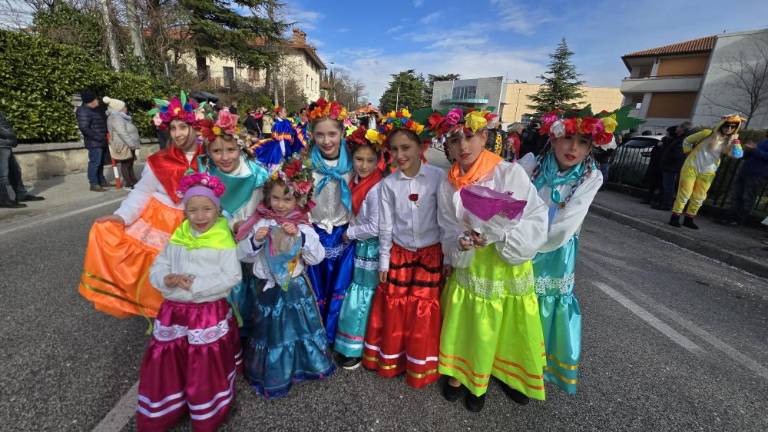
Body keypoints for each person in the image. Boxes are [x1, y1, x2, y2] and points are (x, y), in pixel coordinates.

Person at [435, 108, 548, 412]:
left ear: (484, 136)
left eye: (469, 136)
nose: (463, 146)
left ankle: (508, 371)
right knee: (474, 321)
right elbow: (448, 225)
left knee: (509, 321)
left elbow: (534, 216)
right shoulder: (448, 183)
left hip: (506, 264)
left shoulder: (508, 172)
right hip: (473, 264)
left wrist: (500, 234)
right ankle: (467, 374)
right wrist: (460, 241)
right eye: (454, 140)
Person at [520, 109, 625, 396]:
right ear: (554, 138)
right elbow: (509, 194)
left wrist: (526, 246)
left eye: (583, 142)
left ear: (591, 148)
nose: (573, 148)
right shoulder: (531, 164)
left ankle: (531, 367)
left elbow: (566, 223)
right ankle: (508, 360)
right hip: (520, 244)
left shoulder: (590, 177)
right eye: (567, 138)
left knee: (543, 306)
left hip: (553, 249)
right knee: (518, 303)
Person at [79, 91, 209, 319]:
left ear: (195, 127)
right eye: (173, 128)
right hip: (159, 222)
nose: (177, 133)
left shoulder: (210, 158)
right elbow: (141, 193)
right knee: (160, 280)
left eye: (183, 127)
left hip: (196, 225)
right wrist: (121, 217)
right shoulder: (159, 161)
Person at [138, 172, 242, 431]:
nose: (200, 216)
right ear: (184, 211)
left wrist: (195, 285)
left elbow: (232, 276)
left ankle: (207, 410)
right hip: (173, 311)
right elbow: (159, 265)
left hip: (207, 311)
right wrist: (166, 278)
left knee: (203, 363)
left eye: (207, 209)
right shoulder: (178, 236)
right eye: (192, 210)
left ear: (217, 210)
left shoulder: (223, 239)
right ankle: (169, 406)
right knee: (169, 360)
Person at [237, 157, 334, 398]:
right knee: (269, 331)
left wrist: (301, 237)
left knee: (297, 329)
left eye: (287, 199)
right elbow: (243, 255)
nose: (280, 205)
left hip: (295, 288)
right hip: (267, 288)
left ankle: (303, 365)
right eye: (276, 198)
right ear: (267, 197)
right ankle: (273, 372)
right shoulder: (260, 222)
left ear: (298, 199)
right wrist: (256, 240)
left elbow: (317, 258)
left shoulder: (302, 224)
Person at [362, 109, 444, 389]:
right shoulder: (388, 184)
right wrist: (384, 260)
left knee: (423, 309)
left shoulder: (438, 177)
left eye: (406, 147)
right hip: (400, 253)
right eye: (394, 149)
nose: (400, 155)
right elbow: (385, 225)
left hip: (430, 254)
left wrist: (449, 255)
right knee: (397, 307)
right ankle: (394, 359)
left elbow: (446, 219)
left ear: (422, 147)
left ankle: (419, 363)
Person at [198, 108, 269, 338]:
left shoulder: (258, 175)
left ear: (241, 148)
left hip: (251, 241)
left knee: (252, 289)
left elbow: (265, 209)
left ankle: (252, 333)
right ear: (208, 152)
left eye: (230, 150)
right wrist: (231, 226)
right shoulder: (205, 175)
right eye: (216, 151)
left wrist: (249, 227)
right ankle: (229, 336)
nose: (225, 157)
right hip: (219, 243)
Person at [305, 98, 356, 346]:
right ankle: (315, 338)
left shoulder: (354, 163)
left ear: (342, 132)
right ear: (312, 135)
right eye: (320, 135)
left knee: (340, 288)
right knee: (316, 289)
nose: (326, 141)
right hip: (314, 233)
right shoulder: (305, 165)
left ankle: (336, 337)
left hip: (343, 234)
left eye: (332, 134)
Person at [333, 125, 384, 369]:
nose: (363, 165)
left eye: (370, 160)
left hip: (370, 246)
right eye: (359, 159)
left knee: (362, 295)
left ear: (378, 160)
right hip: (358, 243)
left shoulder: (377, 187)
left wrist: (349, 233)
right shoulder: (355, 180)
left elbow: (375, 226)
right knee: (353, 290)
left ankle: (354, 348)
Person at [670, 114, 744, 229]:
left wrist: (736, 142)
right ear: (722, 125)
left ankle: (689, 219)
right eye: (727, 125)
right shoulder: (707, 133)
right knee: (685, 193)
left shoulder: (729, 141)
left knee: (699, 197)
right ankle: (675, 217)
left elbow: (738, 155)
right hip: (692, 167)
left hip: (708, 172)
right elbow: (687, 140)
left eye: (733, 126)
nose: (729, 128)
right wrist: (688, 153)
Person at [719, 132, 768, 226]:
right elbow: (749, 155)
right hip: (745, 171)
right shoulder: (764, 141)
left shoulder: (763, 142)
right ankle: (730, 216)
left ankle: (738, 220)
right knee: (736, 195)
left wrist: (754, 149)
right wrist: (747, 150)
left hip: (758, 175)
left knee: (747, 198)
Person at [0, 111, 44, 207]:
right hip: (2, 144)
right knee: (2, 175)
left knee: (15, 171)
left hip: (5, 143)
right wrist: (10, 136)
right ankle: (3, 200)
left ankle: (21, 194)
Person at [76, 90, 110, 191]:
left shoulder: (96, 109)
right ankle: (94, 183)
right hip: (94, 142)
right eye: (95, 99)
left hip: (101, 140)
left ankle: (101, 180)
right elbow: (84, 127)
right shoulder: (83, 111)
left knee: (101, 162)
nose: (97, 101)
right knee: (95, 162)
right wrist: (98, 137)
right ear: (90, 101)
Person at [103, 96, 140, 188]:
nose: (126, 108)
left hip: (126, 143)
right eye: (124, 107)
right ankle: (128, 183)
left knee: (130, 163)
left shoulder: (120, 116)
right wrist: (131, 144)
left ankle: (133, 180)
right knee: (126, 163)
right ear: (118, 108)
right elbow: (121, 132)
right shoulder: (116, 117)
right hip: (123, 144)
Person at [656, 122, 692, 211]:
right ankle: (664, 203)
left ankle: (666, 205)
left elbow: (678, 155)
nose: (677, 128)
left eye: (679, 127)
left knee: (669, 187)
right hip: (670, 166)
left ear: (682, 129)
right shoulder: (679, 138)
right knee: (667, 186)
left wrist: (668, 159)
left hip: (672, 167)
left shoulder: (682, 140)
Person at [642, 127, 673, 205]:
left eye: (668, 132)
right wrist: (657, 145)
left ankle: (657, 200)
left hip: (663, 165)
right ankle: (648, 199)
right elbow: (654, 150)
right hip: (655, 164)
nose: (666, 134)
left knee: (661, 185)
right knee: (652, 183)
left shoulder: (671, 142)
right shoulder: (664, 139)